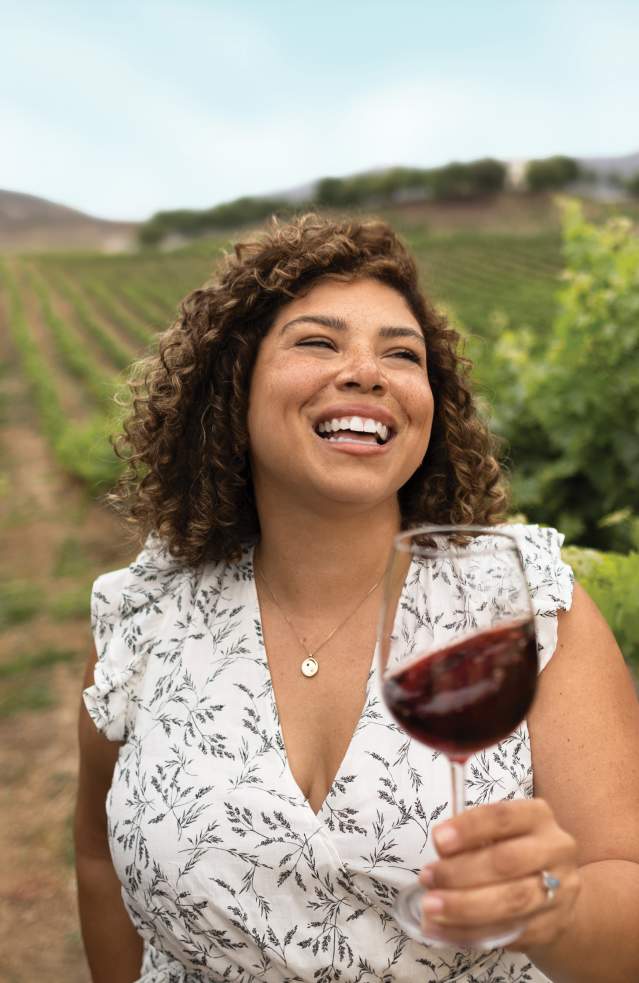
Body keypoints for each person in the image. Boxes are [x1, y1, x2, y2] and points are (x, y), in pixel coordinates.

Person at [75, 213, 639, 983]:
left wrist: (556, 906)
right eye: (317, 341)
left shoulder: (523, 604)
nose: (367, 371)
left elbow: (624, 887)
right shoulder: (144, 610)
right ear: (232, 384)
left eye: (400, 354)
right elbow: (96, 852)